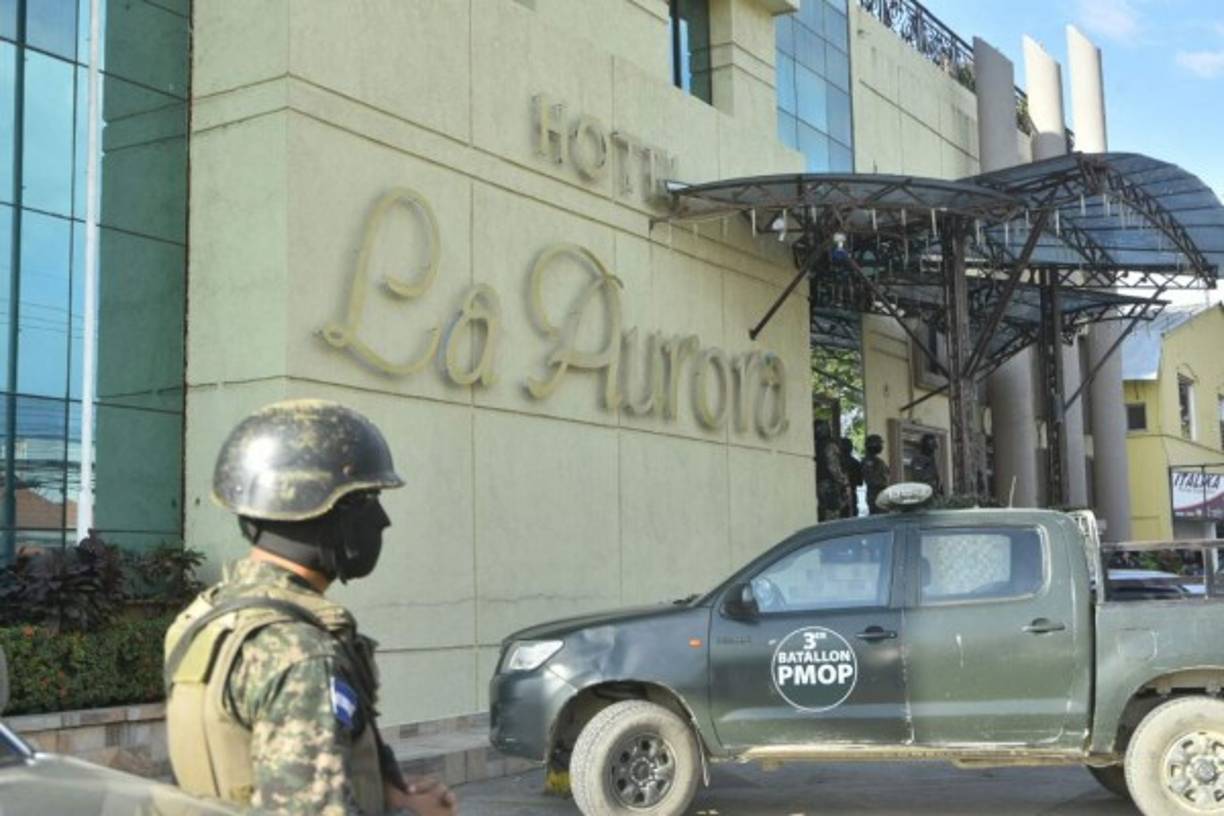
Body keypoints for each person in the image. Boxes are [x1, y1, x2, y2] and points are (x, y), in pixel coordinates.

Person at [163, 400, 458, 815]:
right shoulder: (299, 653)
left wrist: (392, 795)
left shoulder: (205, 620)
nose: (382, 520)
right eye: (367, 498)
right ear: (321, 507)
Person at [815, 420, 847, 522]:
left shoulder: (816, 445)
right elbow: (834, 468)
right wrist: (844, 483)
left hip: (820, 484)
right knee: (832, 517)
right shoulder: (830, 445)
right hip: (830, 486)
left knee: (822, 515)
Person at [862, 434, 889, 515]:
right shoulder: (869, 461)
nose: (881, 446)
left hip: (880, 492)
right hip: (875, 494)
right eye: (879, 444)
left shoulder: (877, 460)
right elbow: (871, 479)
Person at [838, 438, 863, 518]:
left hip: (838, 495)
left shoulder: (837, 462)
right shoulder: (855, 463)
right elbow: (860, 482)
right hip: (852, 494)